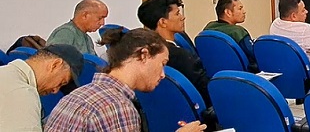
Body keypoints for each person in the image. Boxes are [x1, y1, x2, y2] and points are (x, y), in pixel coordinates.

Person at [45, 28, 206, 132]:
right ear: (144, 55)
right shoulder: (117, 108)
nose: (163, 74)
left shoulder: (78, 95)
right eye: (162, 64)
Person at [137, 0, 213, 107]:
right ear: (163, 22)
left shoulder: (141, 51)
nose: (183, 17)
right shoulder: (181, 57)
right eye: (177, 14)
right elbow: (206, 91)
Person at [0, 44, 84, 132]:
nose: (55, 91)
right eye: (62, 82)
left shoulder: (4, 72)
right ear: (55, 65)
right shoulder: (23, 94)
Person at [270, 0, 310, 69]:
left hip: (283, 68)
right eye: (303, 10)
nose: (306, 12)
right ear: (293, 16)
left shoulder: (275, 24)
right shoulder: (304, 29)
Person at [203, 0, 258, 72]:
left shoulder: (208, 29)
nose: (244, 11)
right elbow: (255, 55)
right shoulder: (238, 32)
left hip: (215, 74)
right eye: (240, 8)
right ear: (228, 12)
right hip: (242, 74)